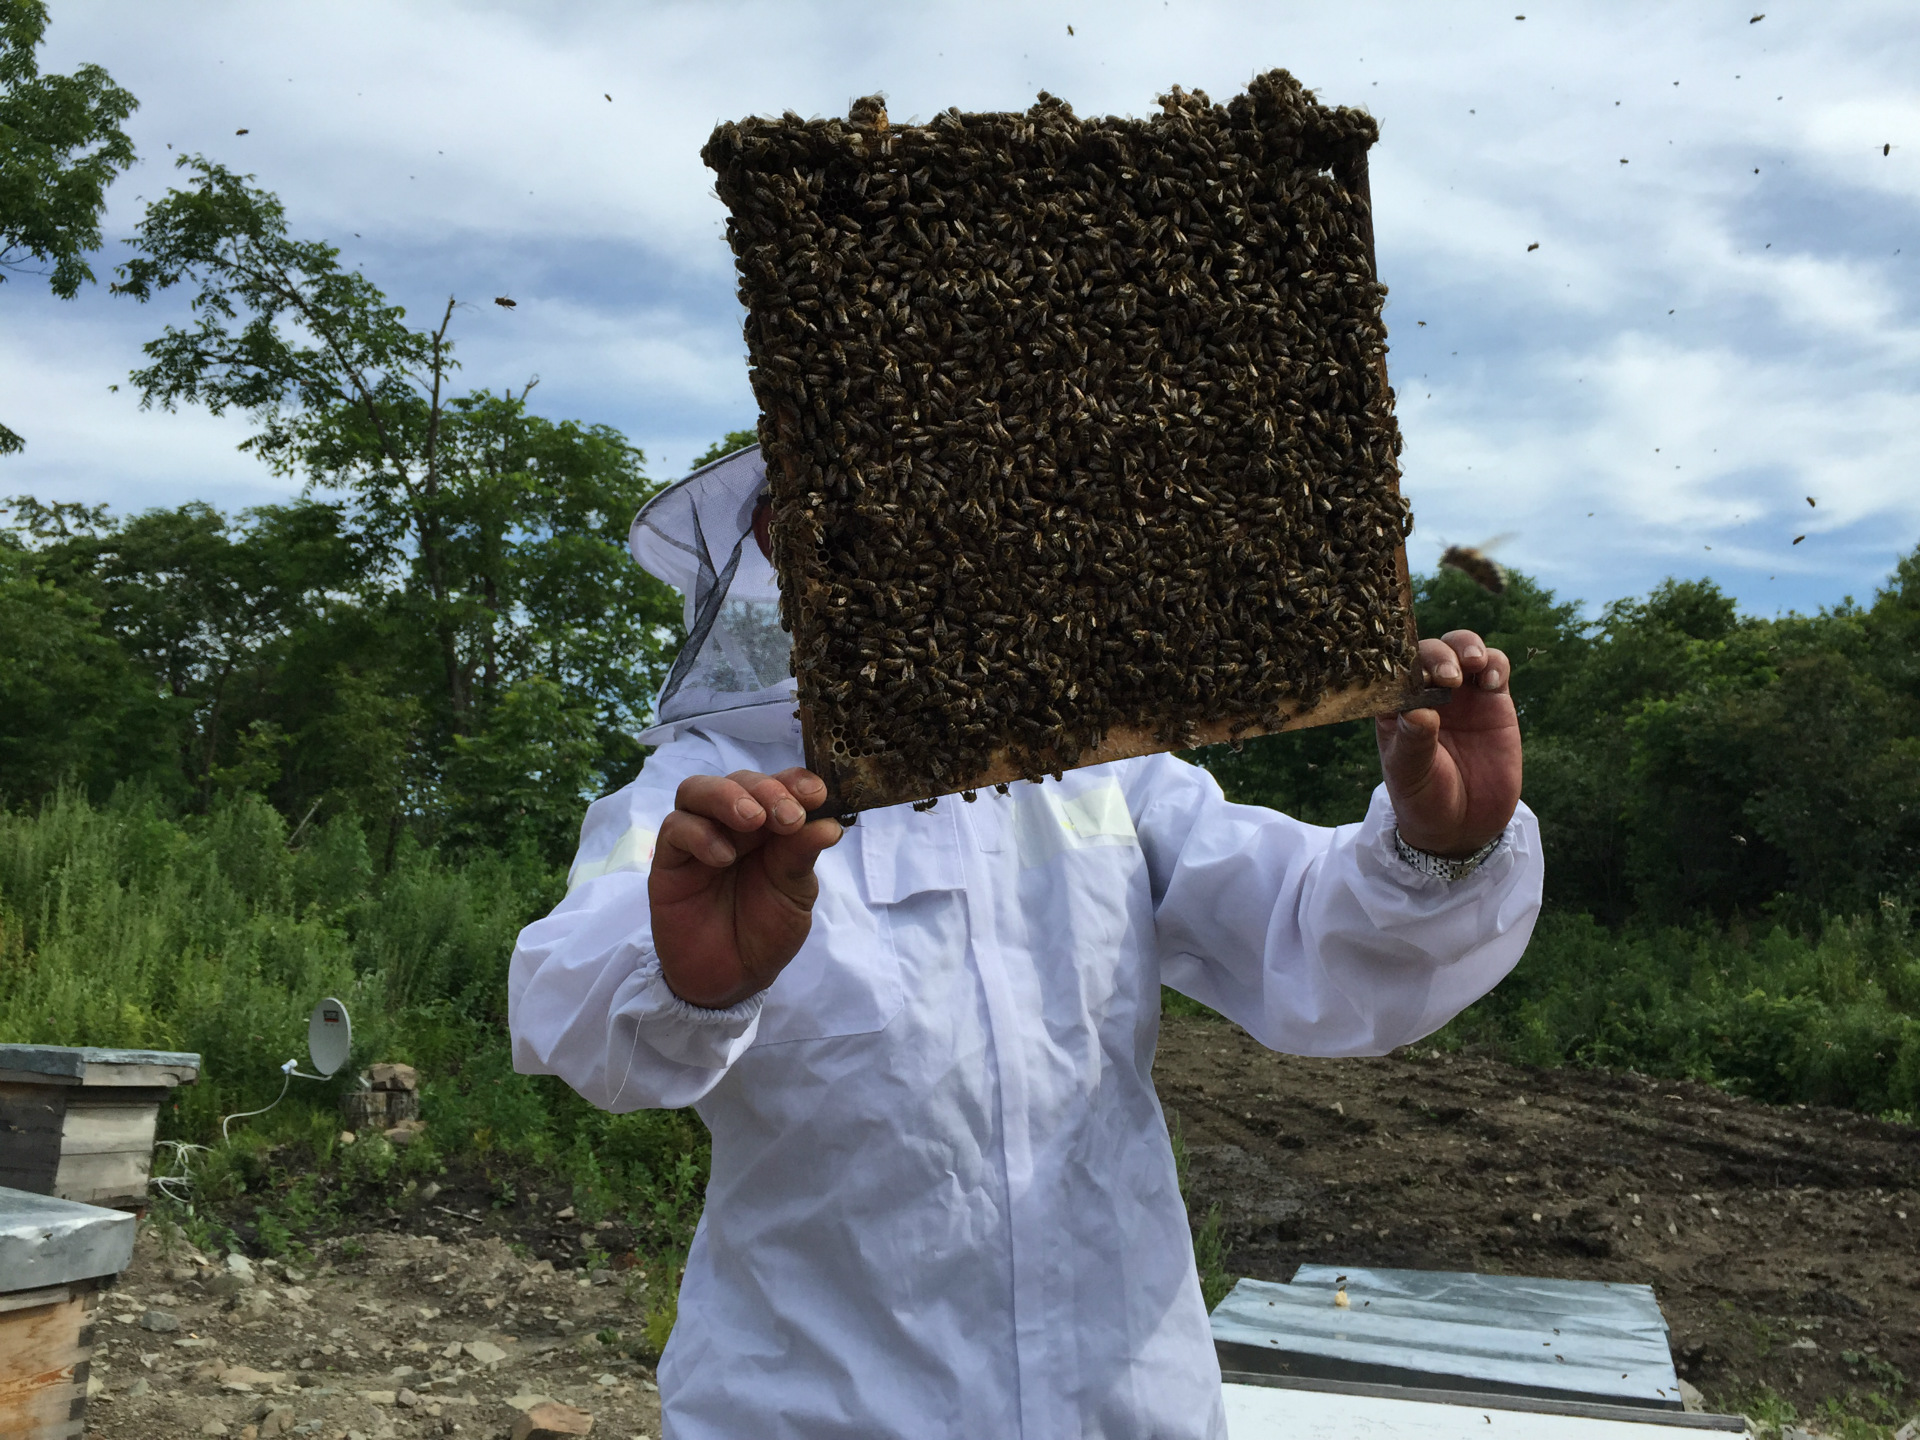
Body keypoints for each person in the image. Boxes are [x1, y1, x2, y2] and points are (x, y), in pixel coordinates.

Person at [509, 443, 1543, 1440]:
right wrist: (686, 980)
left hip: (1127, 1407)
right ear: (775, 555)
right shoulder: (700, 795)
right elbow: (570, 1005)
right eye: (836, 520)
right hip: (817, 1410)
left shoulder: (1097, 768)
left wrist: (1439, 850)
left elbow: (1315, 945)